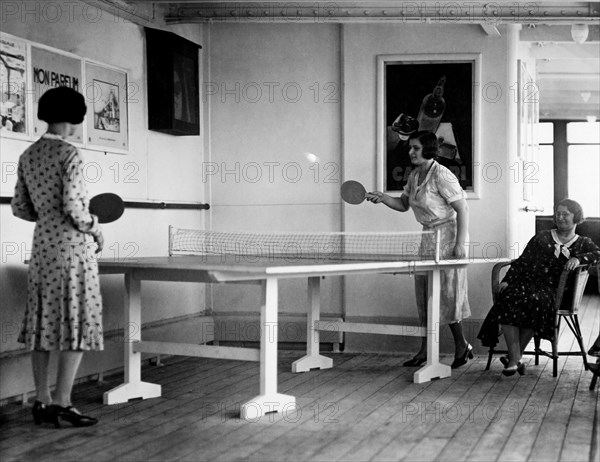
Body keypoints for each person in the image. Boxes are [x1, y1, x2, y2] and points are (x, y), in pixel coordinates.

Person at [11, 86, 104, 427]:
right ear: (74, 116)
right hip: (72, 251)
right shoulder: (70, 155)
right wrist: (95, 227)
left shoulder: (29, 155)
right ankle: (64, 402)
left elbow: (20, 207)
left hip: (42, 250)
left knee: (43, 324)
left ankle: (41, 400)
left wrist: (48, 218)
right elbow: (75, 210)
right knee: (75, 322)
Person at [367, 130, 472, 369]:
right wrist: (383, 198)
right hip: (427, 237)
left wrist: (459, 245)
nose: (410, 151)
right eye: (410, 147)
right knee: (425, 294)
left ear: (428, 149)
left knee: (448, 294)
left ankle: (462, 345)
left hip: (448, 236)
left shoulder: (442, 175)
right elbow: (404, 205)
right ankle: (424, 350)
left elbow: (463, 209)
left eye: (415, 147)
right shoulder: (414, 175)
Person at [478, 199, 600, 376]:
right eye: (558, 213)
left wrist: (579, 259)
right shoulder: (542, 237)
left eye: (565, 214)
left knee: (535, 301)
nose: (560, 217)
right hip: (527, 284)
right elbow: (522, 261)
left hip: (554, 292)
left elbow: (598, 253)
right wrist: (508, 279)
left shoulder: (582, 243)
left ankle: (514, 358)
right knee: (509, 296)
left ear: (576, 217)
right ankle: (515, 359)